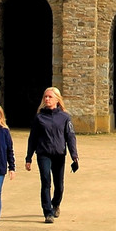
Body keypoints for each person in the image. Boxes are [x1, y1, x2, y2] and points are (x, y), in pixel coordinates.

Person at [23, 86, 79, 223]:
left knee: (59, 184)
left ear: (57, 99)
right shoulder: (39, 117)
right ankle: (47, 212)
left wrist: (74, 154)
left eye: (50, 97)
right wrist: (28, 157)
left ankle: (56, 204)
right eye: (45, 97)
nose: (47, 99)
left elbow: (70, 136)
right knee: (46, 181)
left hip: (59, 154)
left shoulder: (65, 117)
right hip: (43, 153)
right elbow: (33, 138)